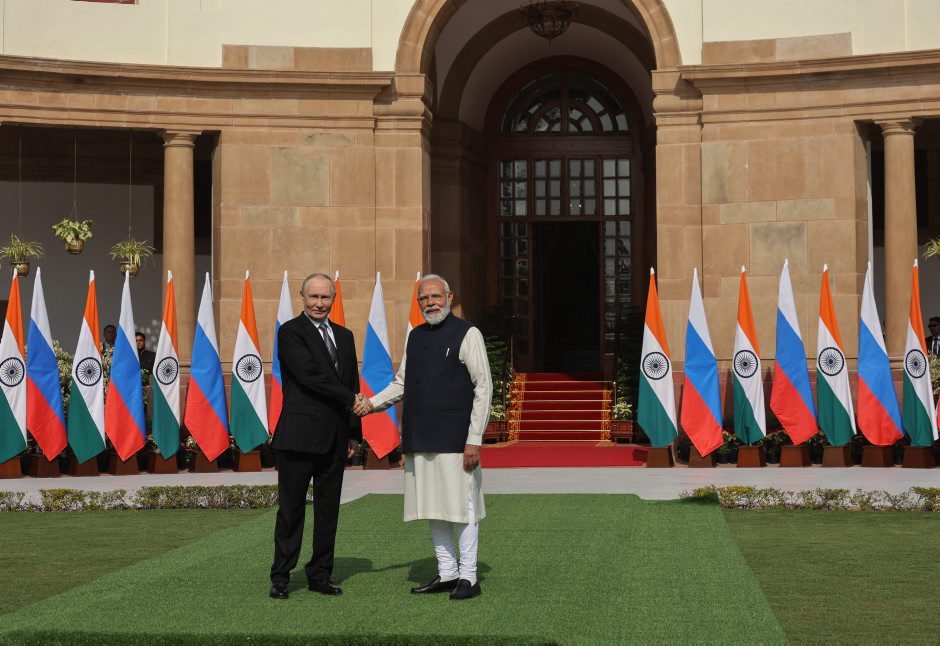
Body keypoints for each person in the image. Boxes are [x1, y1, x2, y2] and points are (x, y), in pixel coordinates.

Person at [359, 274, 492, 601]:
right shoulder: (415, 336)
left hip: (456, 440)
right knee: (433, 506)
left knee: (463, 508)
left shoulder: (468, 333)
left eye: (436, 296)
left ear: (450, 297)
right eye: (424, 298)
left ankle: (469, 576)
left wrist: (474, 438)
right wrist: (371, 404)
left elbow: (484, 387)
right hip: (420, 437)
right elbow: (402, 384)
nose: (430, 303)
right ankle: (447, 572)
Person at [269, 272, 365, 601]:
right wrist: (351, 399)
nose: (319, 303)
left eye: (325, 297)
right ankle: (281, 577)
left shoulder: (345, 336)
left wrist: (353, 432)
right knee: (291, 511)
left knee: (328, 511)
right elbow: (309, 376)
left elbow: (352, 380)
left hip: (335, 438)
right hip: (298, 437)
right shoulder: (290, 332)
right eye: (314, 297)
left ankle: (320, 574)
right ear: (303, 297)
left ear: (334, 299)